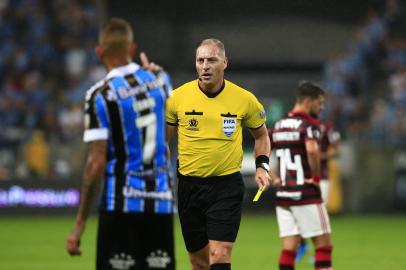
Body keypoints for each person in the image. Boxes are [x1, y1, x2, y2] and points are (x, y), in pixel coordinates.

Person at [65, 18, 175, 270]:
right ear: (132, 48)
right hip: (160, 201)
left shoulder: (100, 95)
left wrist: (80, 222)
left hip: (120, 204)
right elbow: (166, 130)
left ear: (100, 52)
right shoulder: (161, 80)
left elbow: (96, 162)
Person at [166, 38, 273, 270]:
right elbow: (162, 142)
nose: (205, 66)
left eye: (211, 60)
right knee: (199, 262)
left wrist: (262, 166)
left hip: (226, 186)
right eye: (200, 60)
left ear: (225, 63)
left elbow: (262, 136)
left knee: (220, 253)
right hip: (188, 186)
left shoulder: (245, 100)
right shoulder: (176, 98)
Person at [269, 81, 333, 270]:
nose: (321, 108)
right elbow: (312, 150)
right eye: (319, 103)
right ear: (308, 101)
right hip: (306, 193)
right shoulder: (308, 124)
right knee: (324, 246)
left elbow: (263, 150)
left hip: (283, 195)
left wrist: (273, 175)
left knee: (289, 248)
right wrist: (315, 177)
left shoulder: (279, 124)